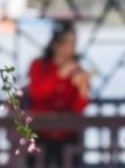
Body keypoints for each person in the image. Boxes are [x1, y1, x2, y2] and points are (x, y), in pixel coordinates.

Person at [26, 21, 90, 167]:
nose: (69, 48)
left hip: (67, 134)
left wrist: (83, 88)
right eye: (66, 43)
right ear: (56, 44)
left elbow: (80, 107)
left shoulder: (77, 69)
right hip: (41, 132)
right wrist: (59, 75)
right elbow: (37, 92)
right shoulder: (39, 65)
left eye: (72, 44)